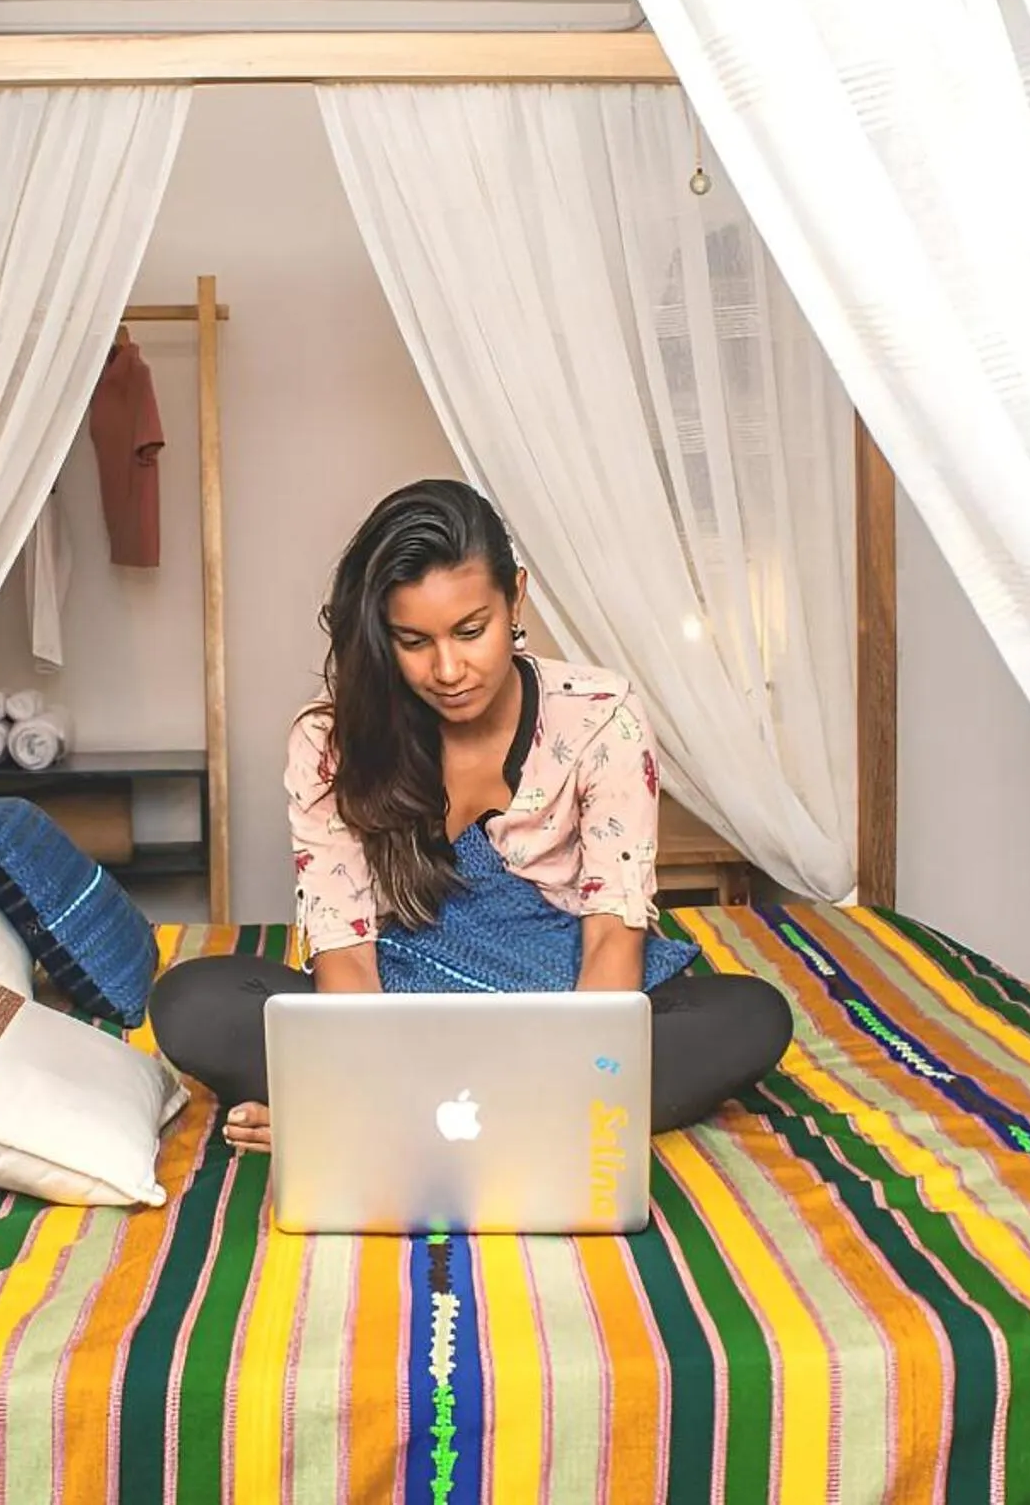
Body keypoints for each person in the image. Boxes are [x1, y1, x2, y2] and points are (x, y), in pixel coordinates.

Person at [147, 478, 795, 1154]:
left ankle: (384, 1125)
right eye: (413, 641)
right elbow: (346, 952)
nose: (448, 669)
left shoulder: (603, 714)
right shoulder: (329, 739)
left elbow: (611, 938)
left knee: (749, 1016)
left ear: (514, 597)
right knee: (192, 1002)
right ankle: (505, 1124)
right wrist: (355, 1065)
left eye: (470, 631)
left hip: (566, 1005)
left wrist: (344, 1103)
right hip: (398, 1009)